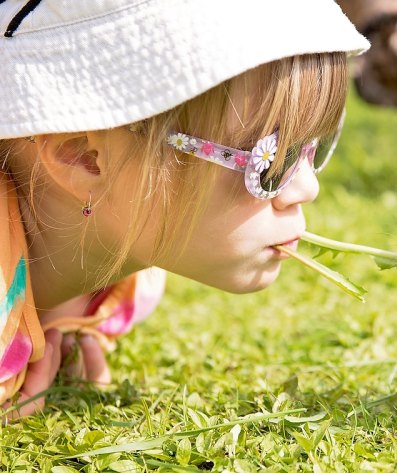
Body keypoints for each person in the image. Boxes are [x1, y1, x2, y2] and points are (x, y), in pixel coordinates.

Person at [0, 0, 369, 418]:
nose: (308, 187)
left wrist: (56, 325)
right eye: (269, 161)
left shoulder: (133, 281)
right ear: (84, 156)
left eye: (313, 146)